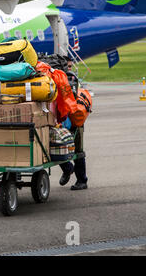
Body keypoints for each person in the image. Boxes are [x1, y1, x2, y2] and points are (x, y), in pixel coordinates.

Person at [59, 59, 88, 191]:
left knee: (78, 151)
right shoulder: (58, 79)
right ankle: (68, 169)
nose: (70, 69)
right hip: (62, 120)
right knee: (56, 146)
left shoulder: (72, 80)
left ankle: (82, 180)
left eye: (70, 66)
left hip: (75, 120)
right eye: (67, 66)